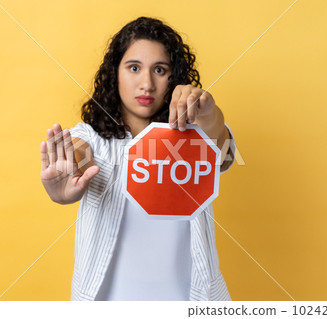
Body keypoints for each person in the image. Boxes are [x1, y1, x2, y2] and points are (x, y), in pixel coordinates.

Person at [40, 17, 236, 301]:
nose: (147, 83)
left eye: (160, 70)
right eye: (134, 68)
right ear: (114, 73)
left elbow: (224, 151)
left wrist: (207, 110)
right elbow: (81, 152)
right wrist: (69, 171)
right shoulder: (92, 137)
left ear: (174, 78)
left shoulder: (194, 139)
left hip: (188, 301)